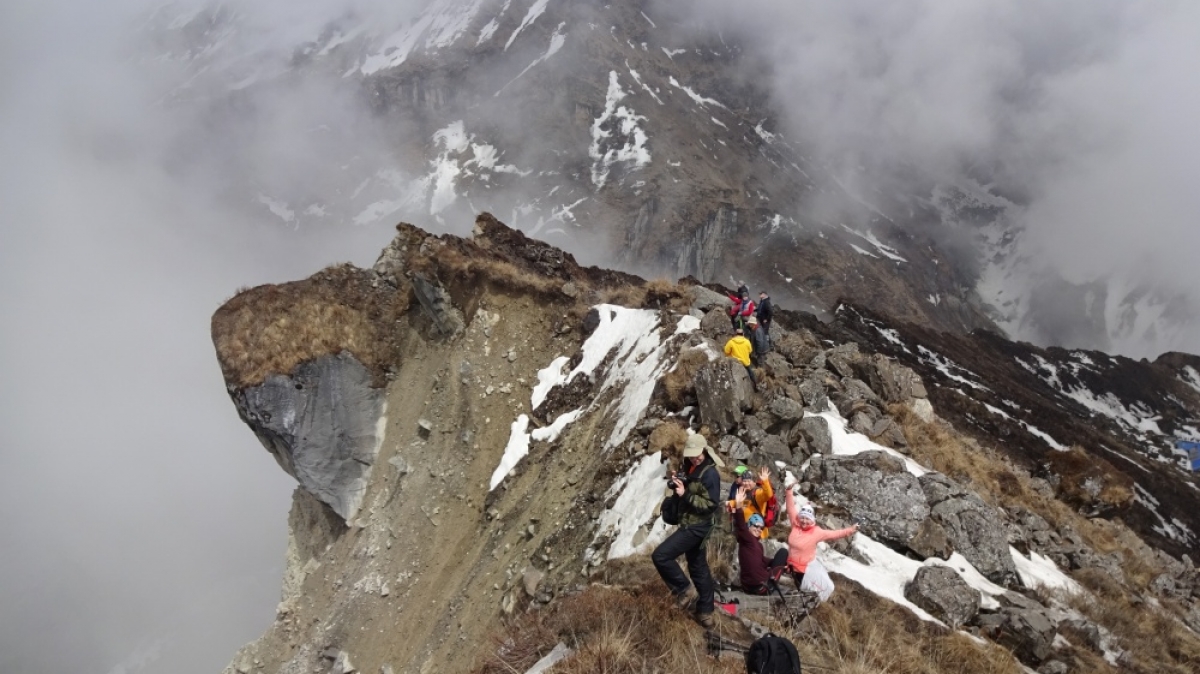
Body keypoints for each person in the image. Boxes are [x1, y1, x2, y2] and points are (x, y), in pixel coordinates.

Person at [653, 434, 724, 627]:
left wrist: (685, 495)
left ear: (704, 450)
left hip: (697, 526)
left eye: (697, 455)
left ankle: (684, 590)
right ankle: (705, 612)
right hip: (690, 523)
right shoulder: (690, 465)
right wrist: (679, 481)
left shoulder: (710, 474)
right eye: (692, 455)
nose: (695, 458)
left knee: (660, 556)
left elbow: (710, 504)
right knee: (698, 566)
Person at [782, 477, 857, 587]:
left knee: (803, 590)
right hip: (790, 566)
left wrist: (850, 530)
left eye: (807, 518)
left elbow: (835, 534)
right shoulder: (796, 524)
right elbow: (790, 508)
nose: (804, 521)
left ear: (812, 520)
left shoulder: (816, 532)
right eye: (802, 517)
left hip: (803, 570)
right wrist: (789, 491)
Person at [732, 487, 789, 594]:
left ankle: (772, 580)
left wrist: (780, 565)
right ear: (749, 526)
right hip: (761, 587)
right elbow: (740, 524)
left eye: (761, 528)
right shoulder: (747, 538)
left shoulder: (754, 544)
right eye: (756, 526)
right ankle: (771, 586)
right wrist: (738, 505)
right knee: (783, 552)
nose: (759, 529)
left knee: (777, 561)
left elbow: (761, 560)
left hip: (748, 587)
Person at [727, 466, 775, 540]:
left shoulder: (757, 493)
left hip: (758, 533)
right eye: (744, 481)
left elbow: (768, 495)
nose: (746, 483)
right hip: (747, 531)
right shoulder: (744, 492)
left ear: (754, 482)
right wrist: (729, 503)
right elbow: (743, 503)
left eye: (749, 481)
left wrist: (765, 481)